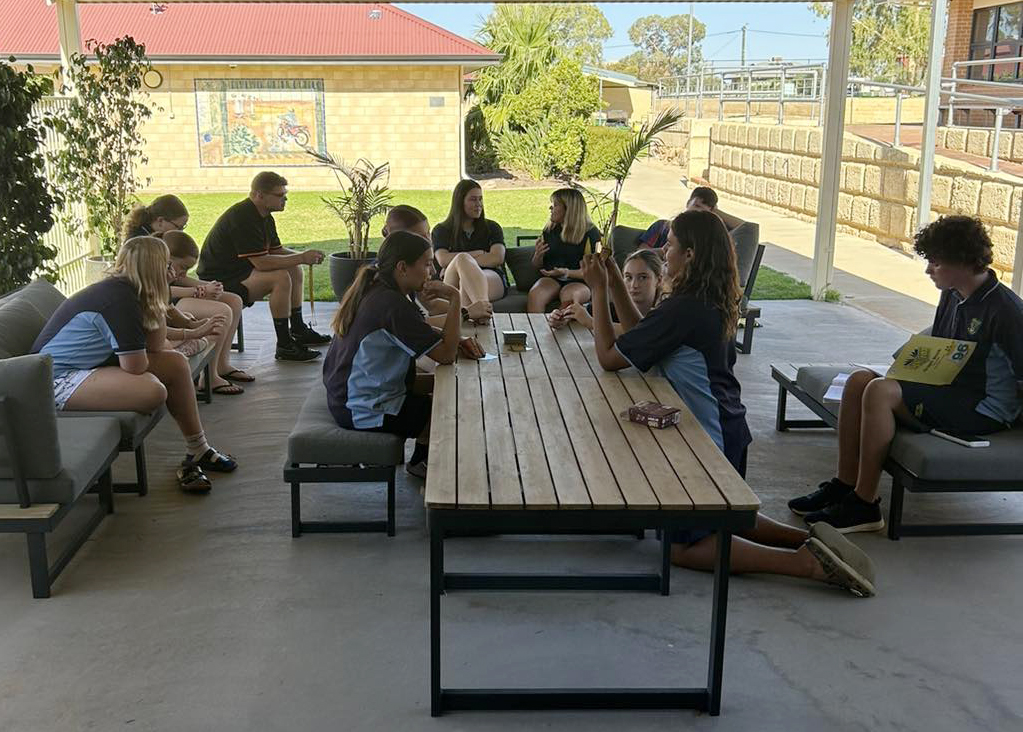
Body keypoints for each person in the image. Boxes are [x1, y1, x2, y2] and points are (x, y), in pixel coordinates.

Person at [580, 211, 875, 596]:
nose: (663, 252)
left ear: (690, 254)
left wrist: (599, 291)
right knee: (724, 513)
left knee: (683, 546)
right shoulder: (702, 298)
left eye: (669, 246)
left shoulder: (683, 307)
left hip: (707, 440)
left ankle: (804, 564)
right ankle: (806, 539)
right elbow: (641, 339)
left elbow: (608, 356)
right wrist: (617, 280)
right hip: (728, 427)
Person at [789, 215, 1023, 533]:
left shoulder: (1006, 310)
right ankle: (844, 484)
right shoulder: (952, 295)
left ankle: (865, 504)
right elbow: (939, 349)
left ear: (963, 262)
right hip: (946, 390)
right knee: (859, 381)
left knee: (880, 391)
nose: (928, 271)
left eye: (936, 264)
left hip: (983, 408)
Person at [31, 236, 238, 493]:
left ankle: (199, 449)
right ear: (154, 269)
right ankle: (196, 451)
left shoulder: (132, 291)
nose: (173, 272)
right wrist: (185, 331)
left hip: (86, 369)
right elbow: (136, 366)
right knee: (152, 391)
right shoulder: (119, 300)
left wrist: (167, 307)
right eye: (167, 266)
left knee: (175, 364)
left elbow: (156, 342)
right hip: (53, 381)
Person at [323, 231, 475, 480]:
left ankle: (423, 458)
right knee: (445, 409)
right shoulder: (392, 305)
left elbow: (422, 332)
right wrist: (455, 298)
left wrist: (457, 339)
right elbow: (446, 355)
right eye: (426, 264)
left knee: (448, 388)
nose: (432, 272)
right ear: (402, 267)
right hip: (360, 407)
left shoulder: (380, 289)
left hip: (349, 392)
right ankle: (425, 465)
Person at [197, 171, 330, 362]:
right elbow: (262, 262)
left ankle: (298, 329)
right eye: (279, 195)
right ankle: (284, 345)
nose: (285, 199)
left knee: (294, 268)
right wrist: (301, 257)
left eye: (285, 194)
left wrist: (305, 256)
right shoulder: (242, 217)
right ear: (259, 195)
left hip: (242, 271)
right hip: (220, 281)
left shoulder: (264, 215)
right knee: (280, 278)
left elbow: (275, 251)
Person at [164, 231, 250, 395]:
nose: (183, 272)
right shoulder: (151, 257)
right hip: (174, 306)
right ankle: (209, 376)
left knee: (234, 300)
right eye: (183, 267)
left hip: (175, 306)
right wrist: (199, 291)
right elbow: (162, 290)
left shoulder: (170, 262)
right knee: (222, 312)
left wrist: (209, 286)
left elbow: (181, 279)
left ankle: (221, 364)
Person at [383, 205, 492, 325]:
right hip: (422, 332)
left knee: (463, 258)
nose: (429, 241)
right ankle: (483, 314)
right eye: (421, 237)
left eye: (428, 233)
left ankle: (484, 311)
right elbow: (418, 326)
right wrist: (466, 313)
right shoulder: (391, 286)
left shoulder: (405, 268)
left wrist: (469, 310)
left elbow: (432, 305)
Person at [431, 180, 506, 321]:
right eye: (473, 199)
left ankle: (475, 321)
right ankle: (484, 316)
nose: (479, 204)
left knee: (465, 278)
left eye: (480, 199)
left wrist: (463, 263)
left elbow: (497, 258)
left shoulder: (492, 227)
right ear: (460, 202)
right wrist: (478, 254)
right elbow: (442, 259)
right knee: (462, 259)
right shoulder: (442, 230)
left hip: (490, 276)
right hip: (452, 280)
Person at [549, 248, 663, 332]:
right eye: (628, 277)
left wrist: (591, 322)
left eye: (643, 277)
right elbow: (580, 312)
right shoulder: (613, 309)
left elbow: (640, 333)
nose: (634, 285)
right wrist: (560, 318)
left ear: (659, 280)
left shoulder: (662, 313)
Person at [527, 188, 601, 313]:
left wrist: (566, 272)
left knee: (570, 296)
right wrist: (537, 256)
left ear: (569, 209)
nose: (550, 209)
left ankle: (558, 327)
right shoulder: (549, 230)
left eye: (555, 205)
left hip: (580, 281)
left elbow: (595, 271)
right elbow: (537, 266)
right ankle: (536, 330)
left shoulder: (591, 233)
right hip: (552, 279)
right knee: (536, 294)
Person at [637, 186, 743, 249]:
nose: (697, 212)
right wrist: (665, 252)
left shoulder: (706, 237)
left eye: (703, 211)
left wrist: (716, 211)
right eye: (696, 206)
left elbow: (747, 229)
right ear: (688, 203)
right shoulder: (662, 226)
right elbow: (641, 253)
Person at [123, 194, 189, 239]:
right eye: (178, 227)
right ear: (160, 221)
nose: (181, 232)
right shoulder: (141, 243)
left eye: (183, 227)